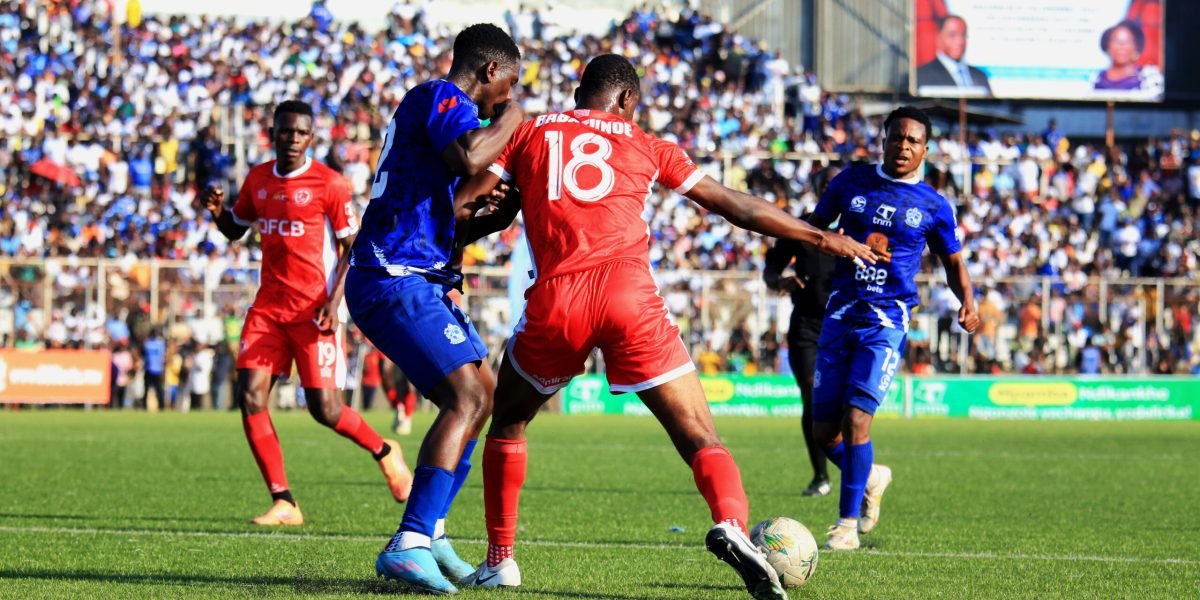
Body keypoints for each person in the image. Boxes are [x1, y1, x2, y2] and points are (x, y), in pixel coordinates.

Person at [452, 54, 876, 599]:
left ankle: (500, 559)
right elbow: (733, 205)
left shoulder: (532, 132)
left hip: (558, 300)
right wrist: (820, 237)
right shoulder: (648, 145)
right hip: (630, 297)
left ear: (582, 91)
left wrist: (451, 250)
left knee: (508, 424)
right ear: (626, 100)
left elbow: (471, 199)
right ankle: (731, 524)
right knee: (700, 435)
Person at [345, 23, 524, 595]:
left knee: (484, 394)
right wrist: (515, 120)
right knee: (465, 396)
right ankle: (411, 540)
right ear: (490, 72)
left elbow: (455, 215)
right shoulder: (440, 95)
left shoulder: (438, 116)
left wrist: (498, 214)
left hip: (416, 274)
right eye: (509, 84)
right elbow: (473, 156)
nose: (506, 97)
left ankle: (434, 529)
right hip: (392, 274)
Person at [200, 100, 412, 527]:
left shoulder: (329, 185)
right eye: (285, 132)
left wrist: (335, 305)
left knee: (325, 410)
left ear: (310, 138)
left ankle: (385, 450)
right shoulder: (258, 179)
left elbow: (352, 246)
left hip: (315, 310)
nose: (292, 140)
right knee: (250, 395)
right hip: (268, 309)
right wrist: (220, 213)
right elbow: (237, 229)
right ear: (273, 133)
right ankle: (285, 501)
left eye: (300, 133)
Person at [807, 105, 980, 550]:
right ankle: (871, 477)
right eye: (896, 137)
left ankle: (846, 526)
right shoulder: (850, 182)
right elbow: (813, 227)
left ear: (925, 149)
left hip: (886, 320)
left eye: (913, 141)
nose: (903, 146)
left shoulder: (934, 206)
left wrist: (969, 303)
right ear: (883, 139)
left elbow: (954, 261)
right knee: (823, 431)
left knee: (858, 418)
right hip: (841, 311)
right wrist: (793, 258)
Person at [762, 165, 841, 498]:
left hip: (845, 326)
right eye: (826, 184)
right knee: (812, 398)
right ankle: (820, 476)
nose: (831, 189)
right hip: (807, 327)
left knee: (843, 408)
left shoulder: (862, 229)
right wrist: (779, 281)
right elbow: (770, 268)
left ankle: (856, 471)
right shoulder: (800, 228)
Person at [915, 15, 991, 95]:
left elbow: (992, 105)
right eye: (952, 35)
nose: (960, 41)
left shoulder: (979, 76)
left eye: (963, 35)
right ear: (939, 37)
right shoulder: (922, 76)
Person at [1092, 20, 1163, 95]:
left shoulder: (1150, 76)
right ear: (1107, 46)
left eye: (1128, 41)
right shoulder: (1096, 78)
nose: (1122, 46)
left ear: (1136, 47)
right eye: (1116, 41)